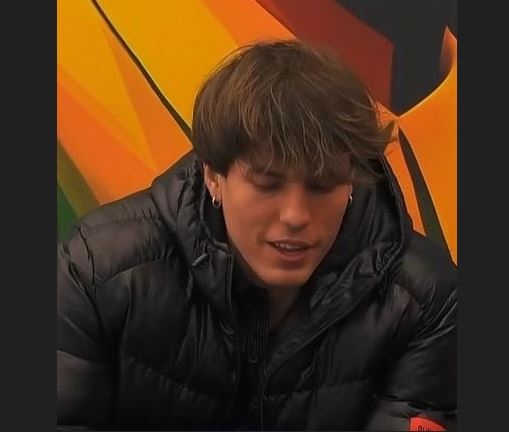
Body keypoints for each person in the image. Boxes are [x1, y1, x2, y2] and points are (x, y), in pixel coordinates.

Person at [57, 39, 457, 431]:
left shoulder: (424, 299)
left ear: (351, 181)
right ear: (213, 177)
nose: (295, 215)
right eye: (267, 184)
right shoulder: (95, 269)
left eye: (322, 186)